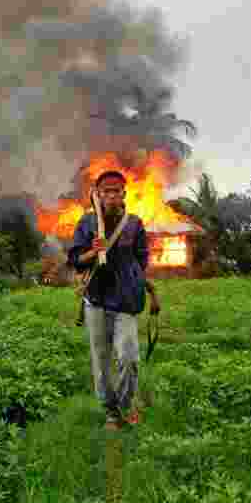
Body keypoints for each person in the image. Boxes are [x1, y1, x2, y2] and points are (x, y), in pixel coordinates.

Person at [68, 170, 155, 431]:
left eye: (116, 190)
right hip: (96, 300)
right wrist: (93, 251)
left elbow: (142, 261)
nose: (112, 195)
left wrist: (132, 279)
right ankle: (111, 413)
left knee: (128, 357)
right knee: (101, 361)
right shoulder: (86, 223)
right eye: (106, 190)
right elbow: (75, 260)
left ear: (124, 193)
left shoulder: (134, 224)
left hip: (126, 301)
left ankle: (125, 406)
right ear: (98, 194)